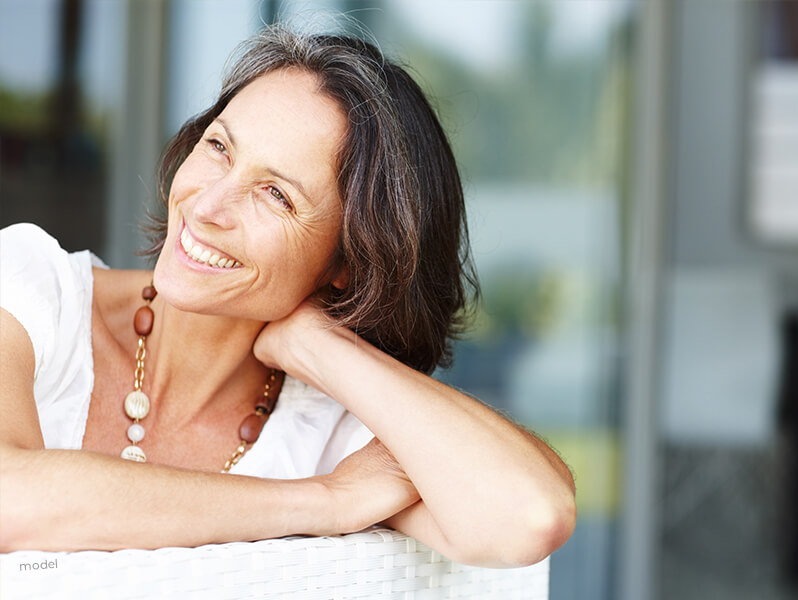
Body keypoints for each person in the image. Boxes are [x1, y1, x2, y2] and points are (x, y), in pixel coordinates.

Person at [0, 25, 575, 567]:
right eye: (220, 147)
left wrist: (321, 347)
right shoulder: (29, 290)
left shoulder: (328, 429)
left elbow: (529, 515)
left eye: (275, 194)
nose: (206, 207)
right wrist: (321, 503)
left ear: (346, 263)